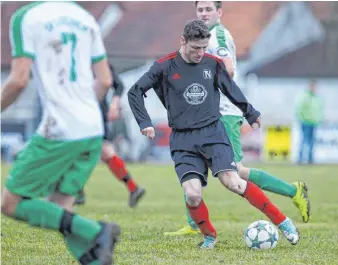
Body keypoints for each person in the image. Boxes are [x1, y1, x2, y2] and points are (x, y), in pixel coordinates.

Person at [128, 19, 300, 248]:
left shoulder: (213, 64)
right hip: (183, 139)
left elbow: (231, 88)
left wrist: (250, 112)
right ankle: (209, 235)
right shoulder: (164, 66)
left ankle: (284, 222)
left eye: (203, 47)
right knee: (192, 195)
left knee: (234, 182)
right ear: (183, 41)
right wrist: (144, 121)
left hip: (212, 133)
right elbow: (135, 91)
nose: (200, 53)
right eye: (195, 48)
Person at [164, 1, 310, 237]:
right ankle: (194, 224)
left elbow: (229, 70)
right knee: (193, 160)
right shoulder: (201, 36)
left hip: (224, 112)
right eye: (200, 9)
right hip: (208, 112)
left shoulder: (218, 36)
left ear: (219, 13)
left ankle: (293, 191)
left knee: (236, 171)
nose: (203, 13)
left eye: (208, 9)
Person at [1, 2, 120, 264]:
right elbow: (105, 81)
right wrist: (82, 110)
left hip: (60, 129)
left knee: (10, 203)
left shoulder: (26, 17)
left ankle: (98, 231)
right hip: (92, 128)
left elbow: (19, 79)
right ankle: (94, 260)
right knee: (60, 210)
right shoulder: (85, 18)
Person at [75, 64, 146, 207]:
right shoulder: (71, 58)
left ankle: (76, 190)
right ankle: (133, 188)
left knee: (86, 151)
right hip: (78, 113)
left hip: (94, 115)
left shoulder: (96, 59)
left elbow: (118, 85)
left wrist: (114, 104)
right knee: (103, 151)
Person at [296, 80, 324, 164]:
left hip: (314, 123)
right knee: (304, 141)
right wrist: (302, 119)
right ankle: (300, 159)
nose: (314, 88)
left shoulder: (317, 97)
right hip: (305, 122)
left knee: (311, 141)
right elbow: (299, 109)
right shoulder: (304, 96)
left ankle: (310, 159)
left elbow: (320, 110)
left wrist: (319, 119)